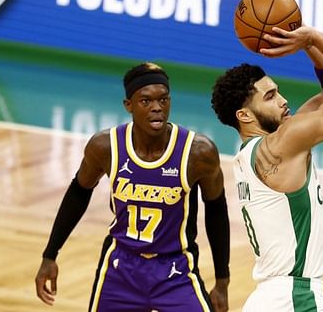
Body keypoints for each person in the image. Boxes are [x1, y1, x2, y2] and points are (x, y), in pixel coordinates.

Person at [211, 26, 323, 311]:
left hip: (268, 298)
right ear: (244, 115)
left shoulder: (257, 150)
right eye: (269, 97)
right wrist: (314, 38)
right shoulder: (282, 145)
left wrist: (305, 44)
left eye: (278, 92)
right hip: (295, 298)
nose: (283, 101)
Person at [35, 62, 231, 312]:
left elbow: (216, 211)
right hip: (121, 267)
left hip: (176, 268)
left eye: (163, 99)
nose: (157, 108)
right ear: (128, 105)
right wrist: (50, 254)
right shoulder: (105, 147)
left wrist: (222, 281)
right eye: (146, 101)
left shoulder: (198, 152)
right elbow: (78, 193)